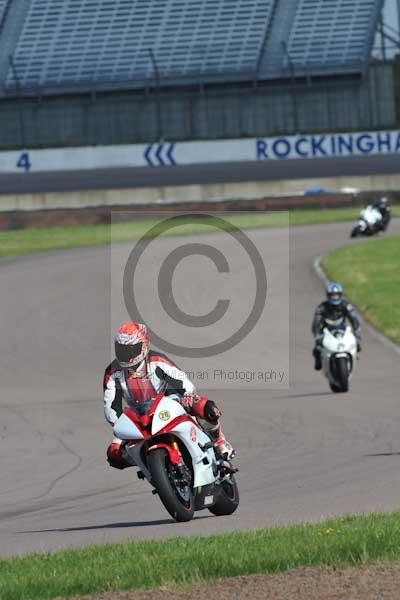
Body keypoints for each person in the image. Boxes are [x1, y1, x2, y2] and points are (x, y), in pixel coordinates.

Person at [103, 321, 233, 469]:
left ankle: (219, 442)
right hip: (138, 417)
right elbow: (111, 407)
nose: (125, 355)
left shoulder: (156, 361)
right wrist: (121, 425)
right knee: (113, 454)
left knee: (207, 407)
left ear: (144, 346)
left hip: (169, 403)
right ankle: (151, 468)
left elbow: (182, 381)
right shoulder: (113, 372)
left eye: (130, 350)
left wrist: (187, 395)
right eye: (121, 350)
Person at [312, 282, 361, 371]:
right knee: (317, 348)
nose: (335, 297)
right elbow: (316, 323)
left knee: (357, 344)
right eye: (332, 295)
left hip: (342, 329)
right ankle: (318, 361)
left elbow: (354, 319)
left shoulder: (346, 305)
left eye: (336, 295)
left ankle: (353, 356)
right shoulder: (322, 307)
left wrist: (357, 333)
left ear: (340, 295)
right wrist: (317, 336)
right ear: (328, 296)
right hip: (326, 331)